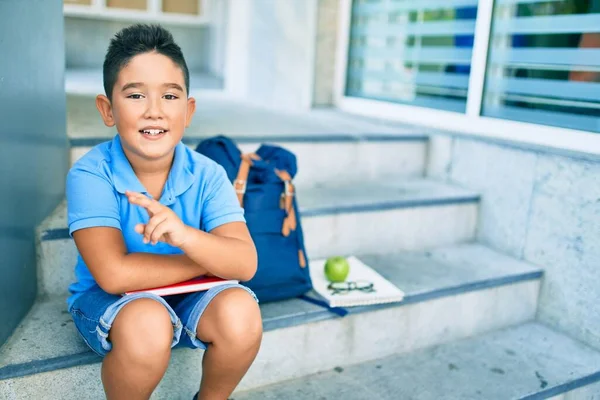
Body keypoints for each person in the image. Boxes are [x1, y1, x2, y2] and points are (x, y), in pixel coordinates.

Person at [66, 24, 262, 400]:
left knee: (241, 312)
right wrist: (207, 258)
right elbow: (112, 274)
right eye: (136, 95)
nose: (154, 111)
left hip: (190, 295)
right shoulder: (91, 174)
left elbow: (245, 263)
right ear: (107, 109)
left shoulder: (208, 173)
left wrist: (186, 236)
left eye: (170, 96)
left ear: (188, 111)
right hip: (114, 301)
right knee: (148, 321)